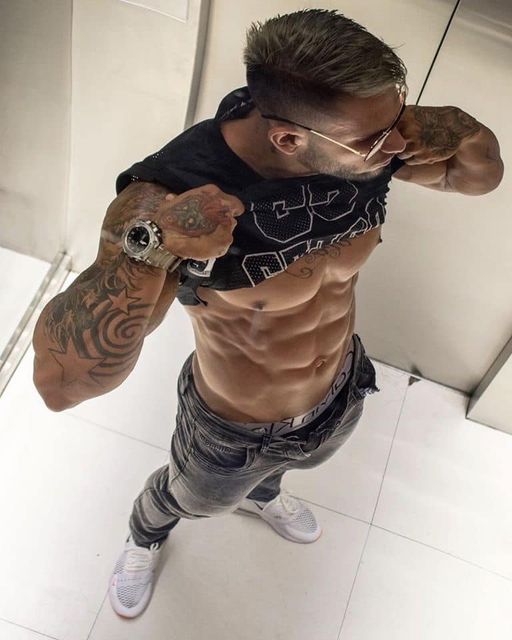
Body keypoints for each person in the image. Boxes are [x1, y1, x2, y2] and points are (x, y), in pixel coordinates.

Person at [32, 9, 503, 620]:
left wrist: (463, 126)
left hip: (341, 388)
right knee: (190, 499)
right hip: (234, 428)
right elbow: (62, 385)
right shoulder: (172, 197)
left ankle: (265, 494)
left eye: (395, 121)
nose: (395, 146)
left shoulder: (356, 135)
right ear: (288, 139)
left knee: (294, 467)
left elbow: (477, 177)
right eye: (376, 140)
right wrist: (154, 249)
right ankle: (146, 533)